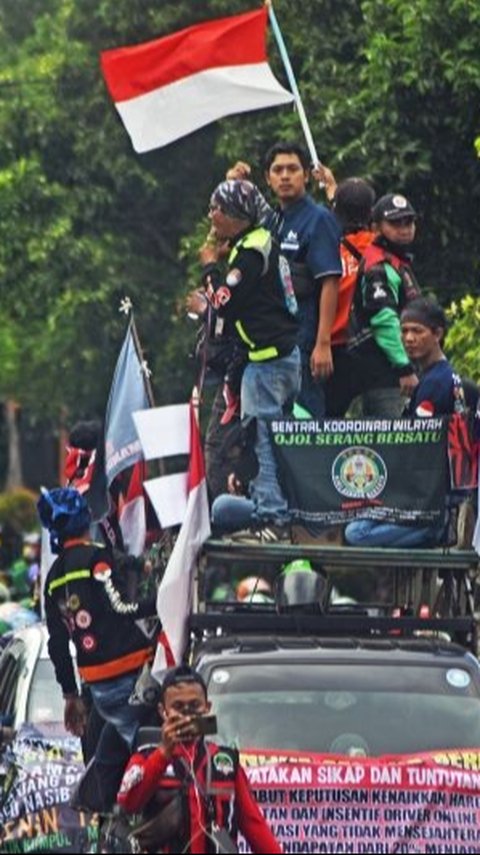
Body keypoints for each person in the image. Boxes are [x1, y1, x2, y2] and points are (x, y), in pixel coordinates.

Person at [37, 486, 159, 811]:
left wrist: (70, 695)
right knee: (153, 754)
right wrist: (161, 602)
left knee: (116, 748)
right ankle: (130, 809)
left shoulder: (53, 577)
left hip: (97, 687)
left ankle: (102, 808)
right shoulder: (96, 558)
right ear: (84, 518)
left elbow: (58, 645)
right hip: (131, 676)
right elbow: (120, 607)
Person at [200, 179, 301, 542]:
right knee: (271, 440)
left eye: (217, 209)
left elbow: (223, 301)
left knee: (263, 441)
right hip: (278, 360)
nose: (211, 215)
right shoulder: (256, 242)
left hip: (268, 365)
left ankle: (272, 518)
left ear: (236, 216)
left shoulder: (250, 254)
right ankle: (275, 508)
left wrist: (210, 268)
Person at [117, 665, 282, 854]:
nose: (187, 713)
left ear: (207, 708)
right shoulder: (145, 757)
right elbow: (129, 803)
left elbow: (254, 824)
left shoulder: (225, 761)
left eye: (195, 706)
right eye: (178, 707)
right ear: (164, 712)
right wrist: (164, 753)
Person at [229, 142, 342, 418]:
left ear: (306, 174)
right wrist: (234, 185)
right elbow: (231, 224)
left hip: (305, 338)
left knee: (305, 424)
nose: (285, 176)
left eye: (292, 169)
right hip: (272, 343)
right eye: (277, 170)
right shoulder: (272, 220)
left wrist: (323, 342)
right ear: (267, 178)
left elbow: (330, 280)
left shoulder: (318, 219)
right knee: (270, 430)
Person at [345, 298, 466, 547]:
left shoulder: (436, 383)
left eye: (417, 331)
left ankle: (437, 530)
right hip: (422, 493)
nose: (409, 338)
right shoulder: (438, 377)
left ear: (438, 334)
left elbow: (419, 445)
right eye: (404, 331)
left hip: (430, 498)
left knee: (356, 533)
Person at [347, 193, 421, 416]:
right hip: (387, 375)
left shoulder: (396, 261)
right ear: (376, 228)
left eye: (408, 221)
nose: (404, 228)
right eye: (395, 223)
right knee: (394, 445)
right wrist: (404, 367)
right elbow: (383, 320)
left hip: (394, 373)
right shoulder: (378, 266)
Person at [325, 176, 376, 416]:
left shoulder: (326, 248)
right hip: (373, 347)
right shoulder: (380, 247)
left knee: (329, 425)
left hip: (334, 349)